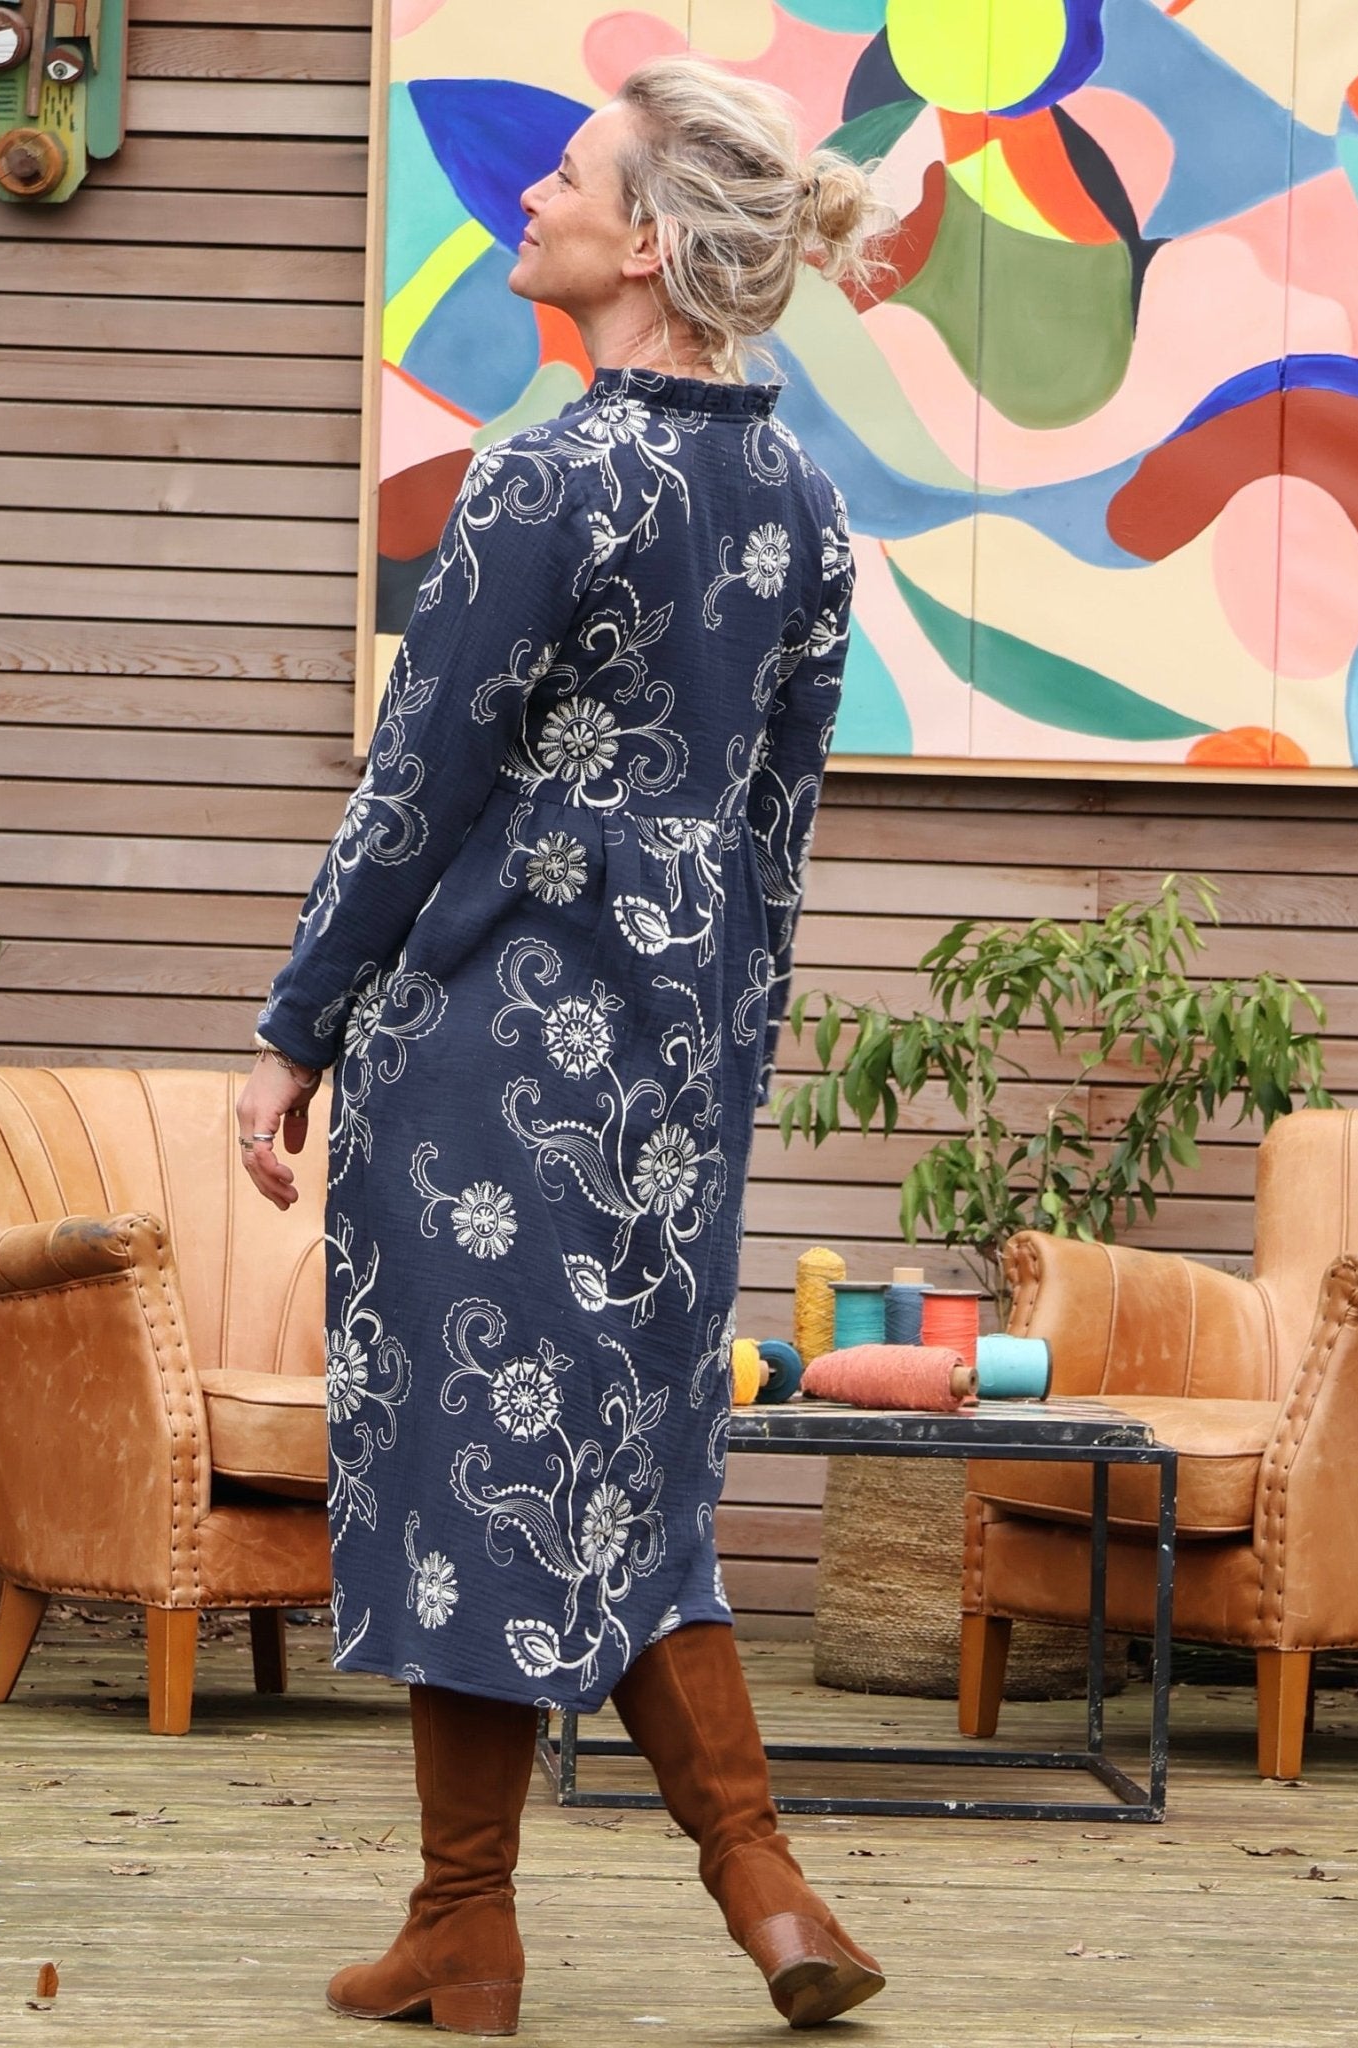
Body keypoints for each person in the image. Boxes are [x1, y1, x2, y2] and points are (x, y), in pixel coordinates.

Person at [237, 54, 891, 2037]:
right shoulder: (807, 504)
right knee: (625, 1466)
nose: (532, 193)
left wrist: (294, 1030)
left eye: (574, 177)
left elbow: (413, 786)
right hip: (671, 1078)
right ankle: (733, 1891)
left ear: (653, 247)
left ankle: (493, 1921)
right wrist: (721, 1060)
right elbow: (775, 830)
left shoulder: (546, 478)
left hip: (482, 1065)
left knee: (479, 1462)